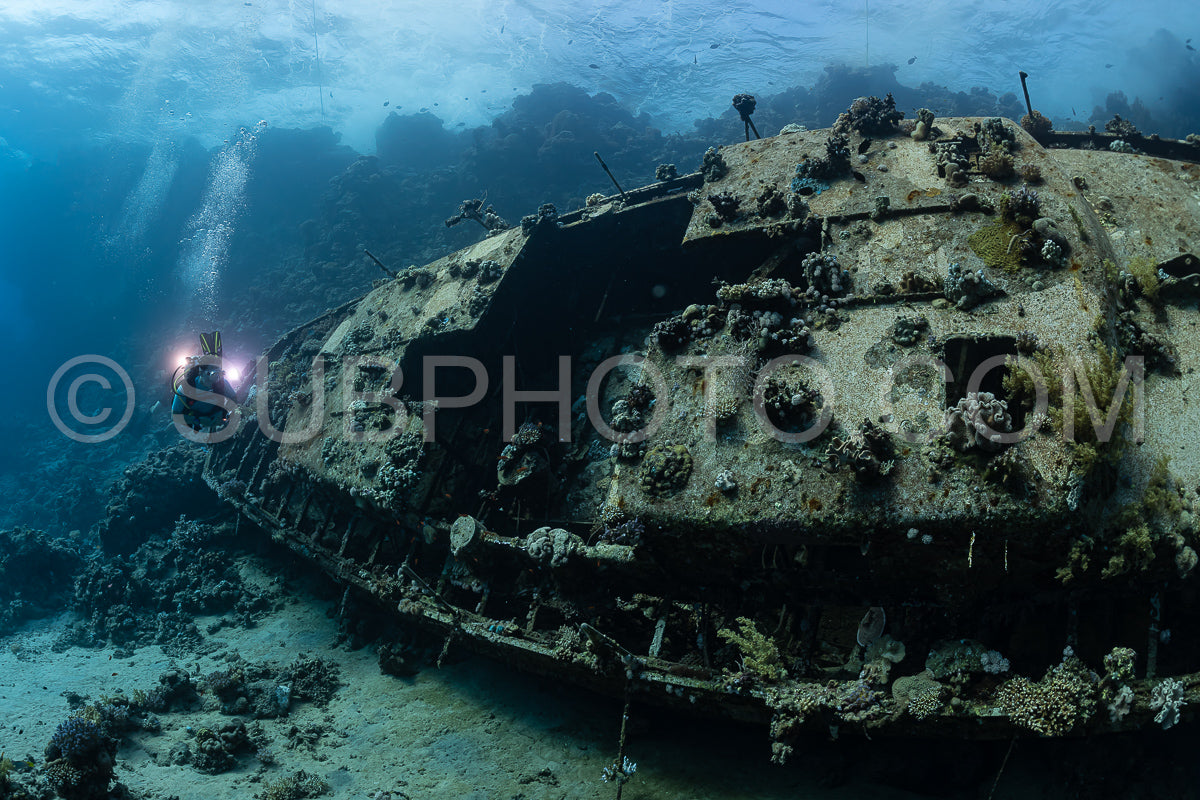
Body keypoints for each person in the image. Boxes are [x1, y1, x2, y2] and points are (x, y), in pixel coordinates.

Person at [171, 331, 238, 432]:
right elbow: (175, 416)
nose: (213, 380)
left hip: (216, 417)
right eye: (210, 374)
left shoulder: (221, 383)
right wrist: (199, 420)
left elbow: (235, 400)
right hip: (197, 419)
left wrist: (225, 414)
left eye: (217, 374)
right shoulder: (186, 388)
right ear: (201, 372)